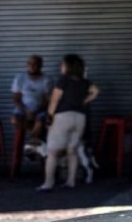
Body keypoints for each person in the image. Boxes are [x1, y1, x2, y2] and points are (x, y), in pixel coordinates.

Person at [37, 54, 99, 192]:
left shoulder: (63, 80)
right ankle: (71, 181)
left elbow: (54, 99)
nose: (61, 67)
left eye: (63, 64)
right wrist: (85, 101)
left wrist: (49, 116)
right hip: (80, 118)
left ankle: (48, 183)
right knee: (72, 150)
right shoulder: (85, 82)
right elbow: (96, 91)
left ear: (69, 66)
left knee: (52, 152)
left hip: (63, 117)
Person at [10, 55, 54, 141]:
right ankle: (34, 135)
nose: (32, 66)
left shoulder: (47, 79)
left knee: (40, 121)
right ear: (26, 65)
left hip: (40, 110)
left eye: (35, 64)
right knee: (14, 119)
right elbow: (16, 99)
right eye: (29, 63)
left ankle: (34, 141)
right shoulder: (20, 78)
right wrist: (26, 111)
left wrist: (36, 111)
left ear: (41, 66)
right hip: (23, 109)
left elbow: (48, 100)